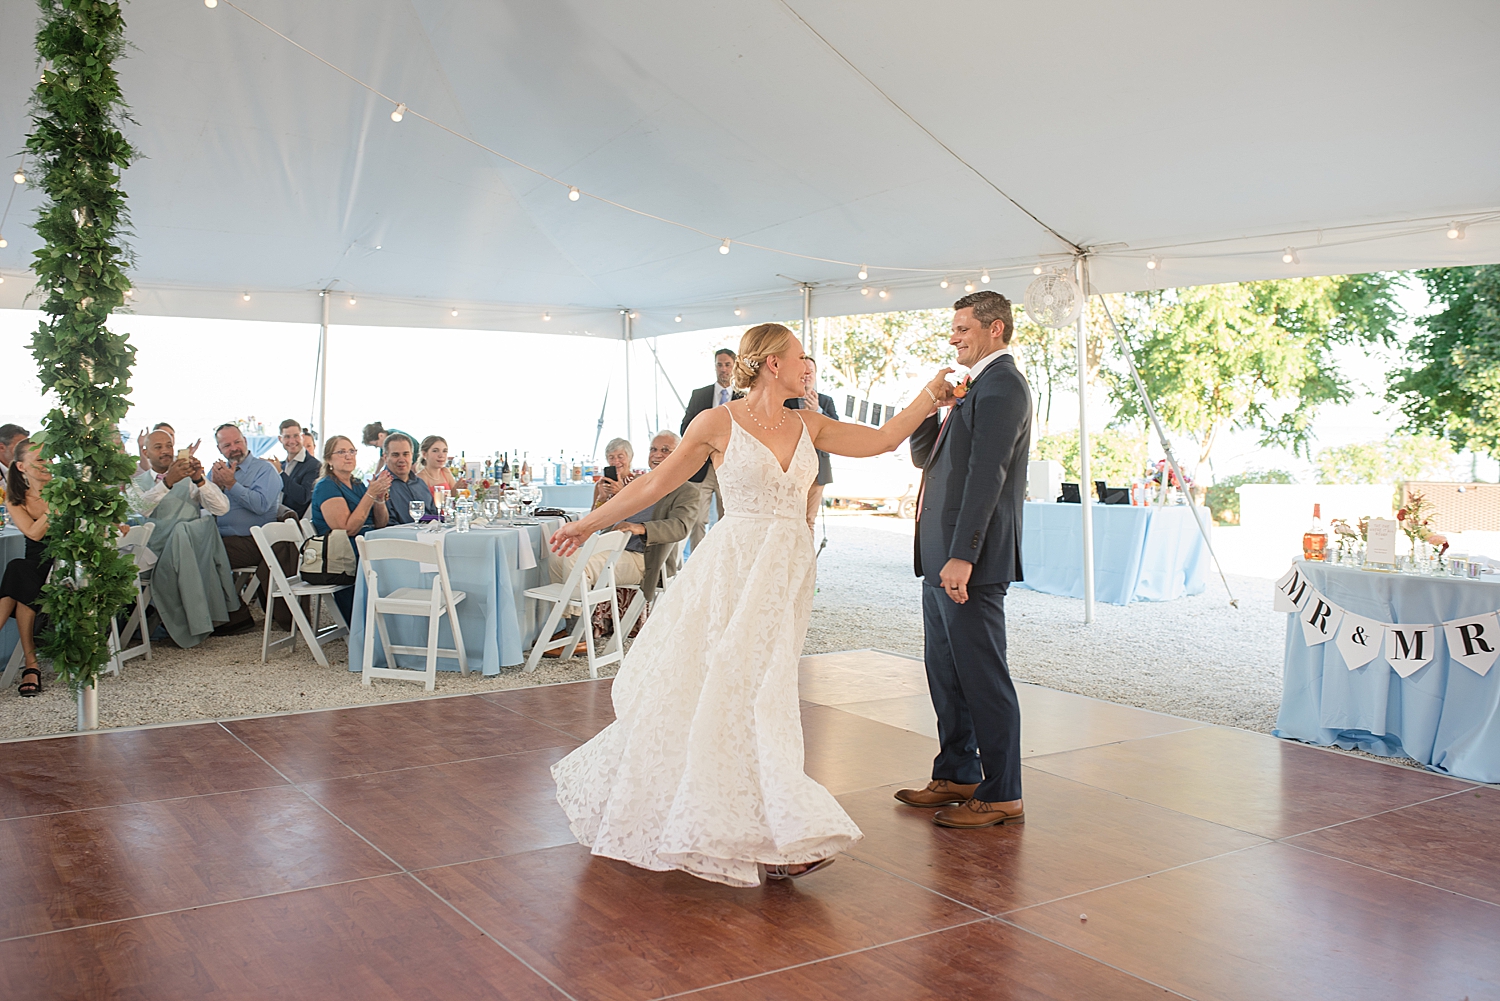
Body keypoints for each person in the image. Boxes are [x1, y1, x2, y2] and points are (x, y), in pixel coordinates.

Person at [549, 322, 954, 886]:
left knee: (764, 688)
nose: (808, 366)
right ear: (771, 364)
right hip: (733, 567)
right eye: (800, 357)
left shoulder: (809, 422)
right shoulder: (717, 422)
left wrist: (931, 394)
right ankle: (772, 831)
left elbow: (884, 440)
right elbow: (655, 484)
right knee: (731, 688)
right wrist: (590, 523)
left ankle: (765, 825)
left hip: (787, 571)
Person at [895, 290, 1032, 830]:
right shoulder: (972, 388)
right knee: (946, 672)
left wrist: (962, 556)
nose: (953, 337)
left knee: (982, 675)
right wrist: (936, 403)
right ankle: (958, 772)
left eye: (962, 328)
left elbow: (987, 476)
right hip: (941, 559)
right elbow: (924, 454)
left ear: (994, 328)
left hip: (966, 562)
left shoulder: (1003, 387)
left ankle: (1002, 791)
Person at [547, 431, 704, 645]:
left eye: (665, 450)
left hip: (644, 557)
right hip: (615, 548)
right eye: (653, 449)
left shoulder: (687, 490)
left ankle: (578, 633)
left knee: (576, 563)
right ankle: (570, 623)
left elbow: (680, 527)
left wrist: (640, 527)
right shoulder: (640, 482)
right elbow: (611, 515)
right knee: (558, 557)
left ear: (679, 455)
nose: (657, 455)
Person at [211, 424, 290, 633]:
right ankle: (219, 613)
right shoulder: (216, 472)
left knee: (206, 554)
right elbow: (203, 507)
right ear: (219, 449)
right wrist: (211, 486)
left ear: (245, 441)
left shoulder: (265, 470)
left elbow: (260, 505)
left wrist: (231, 485)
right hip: (223, 537)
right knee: (193, 549)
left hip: (256, 540)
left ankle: (237, 616)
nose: (234, 448)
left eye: (237, 442)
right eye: (227, 445)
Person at [312, 435, 391, 623]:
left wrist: (379, 499)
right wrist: (370, 494)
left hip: (366, 544)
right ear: (329, 459)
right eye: (341, 452)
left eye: (351, 451)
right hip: (345, 554)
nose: (348, 456)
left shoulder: (356, 484)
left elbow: (380, 524)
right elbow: (347, 529)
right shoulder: (326, 486)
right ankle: (373, 623)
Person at [2, 440, 52, 696]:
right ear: (21, 466)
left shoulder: (66, 490)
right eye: (40, 459)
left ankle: (31, 665)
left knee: (17, 572)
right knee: (21, 573)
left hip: (65, 566)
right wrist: (54, 506)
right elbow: (33, 534)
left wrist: (57, 498)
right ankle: (30, 666)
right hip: (36, 565)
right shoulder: (16, 500)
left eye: (49, 458)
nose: (47, 463)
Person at [679, 348, 743, 550]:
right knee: (697, 519)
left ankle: (726, 558)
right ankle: (699, 560)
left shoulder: (744, 398)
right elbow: (685, 428)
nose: (723, 369)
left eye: (727, 365)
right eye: (719, 364)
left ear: (734, 367)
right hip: (702, 468)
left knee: (729, 518)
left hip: (730, 468)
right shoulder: (700, 395)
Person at [783, 357, 840, 528]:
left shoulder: (825, 401)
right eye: (804, 371)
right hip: (791, 468)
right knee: (789, 519)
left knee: (809, 520)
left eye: (811, 372)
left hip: (818, 469)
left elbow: (837, 429)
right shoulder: (785, 400)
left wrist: (817, 411)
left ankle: (807, 556)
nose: (807, 375)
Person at [266, 419, 319, 517]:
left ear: (302, 437)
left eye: (295, 436)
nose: (292, 441)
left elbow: (303, 496)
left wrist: (280, 473)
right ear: (280, 439)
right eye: (287, 437)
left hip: (295, 524)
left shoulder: (314, 465)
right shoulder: (281, 465)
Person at [383, 433, 433, 524]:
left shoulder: (420, 483)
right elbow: (388, 525)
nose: (402, 459)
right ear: (385, 457)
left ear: (412, 456)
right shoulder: (381, 486)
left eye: (406, 454)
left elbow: (434, 514)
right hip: (399, 537)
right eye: (395, 455)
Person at [591, 437, 642, 509]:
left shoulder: (639, 481)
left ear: (630, 457)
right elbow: (593, 517)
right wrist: (601, 499)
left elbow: (640, 512)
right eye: (611, 457)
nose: (616, 461)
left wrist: (621, 493)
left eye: (620, 457)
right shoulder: (601, 485)